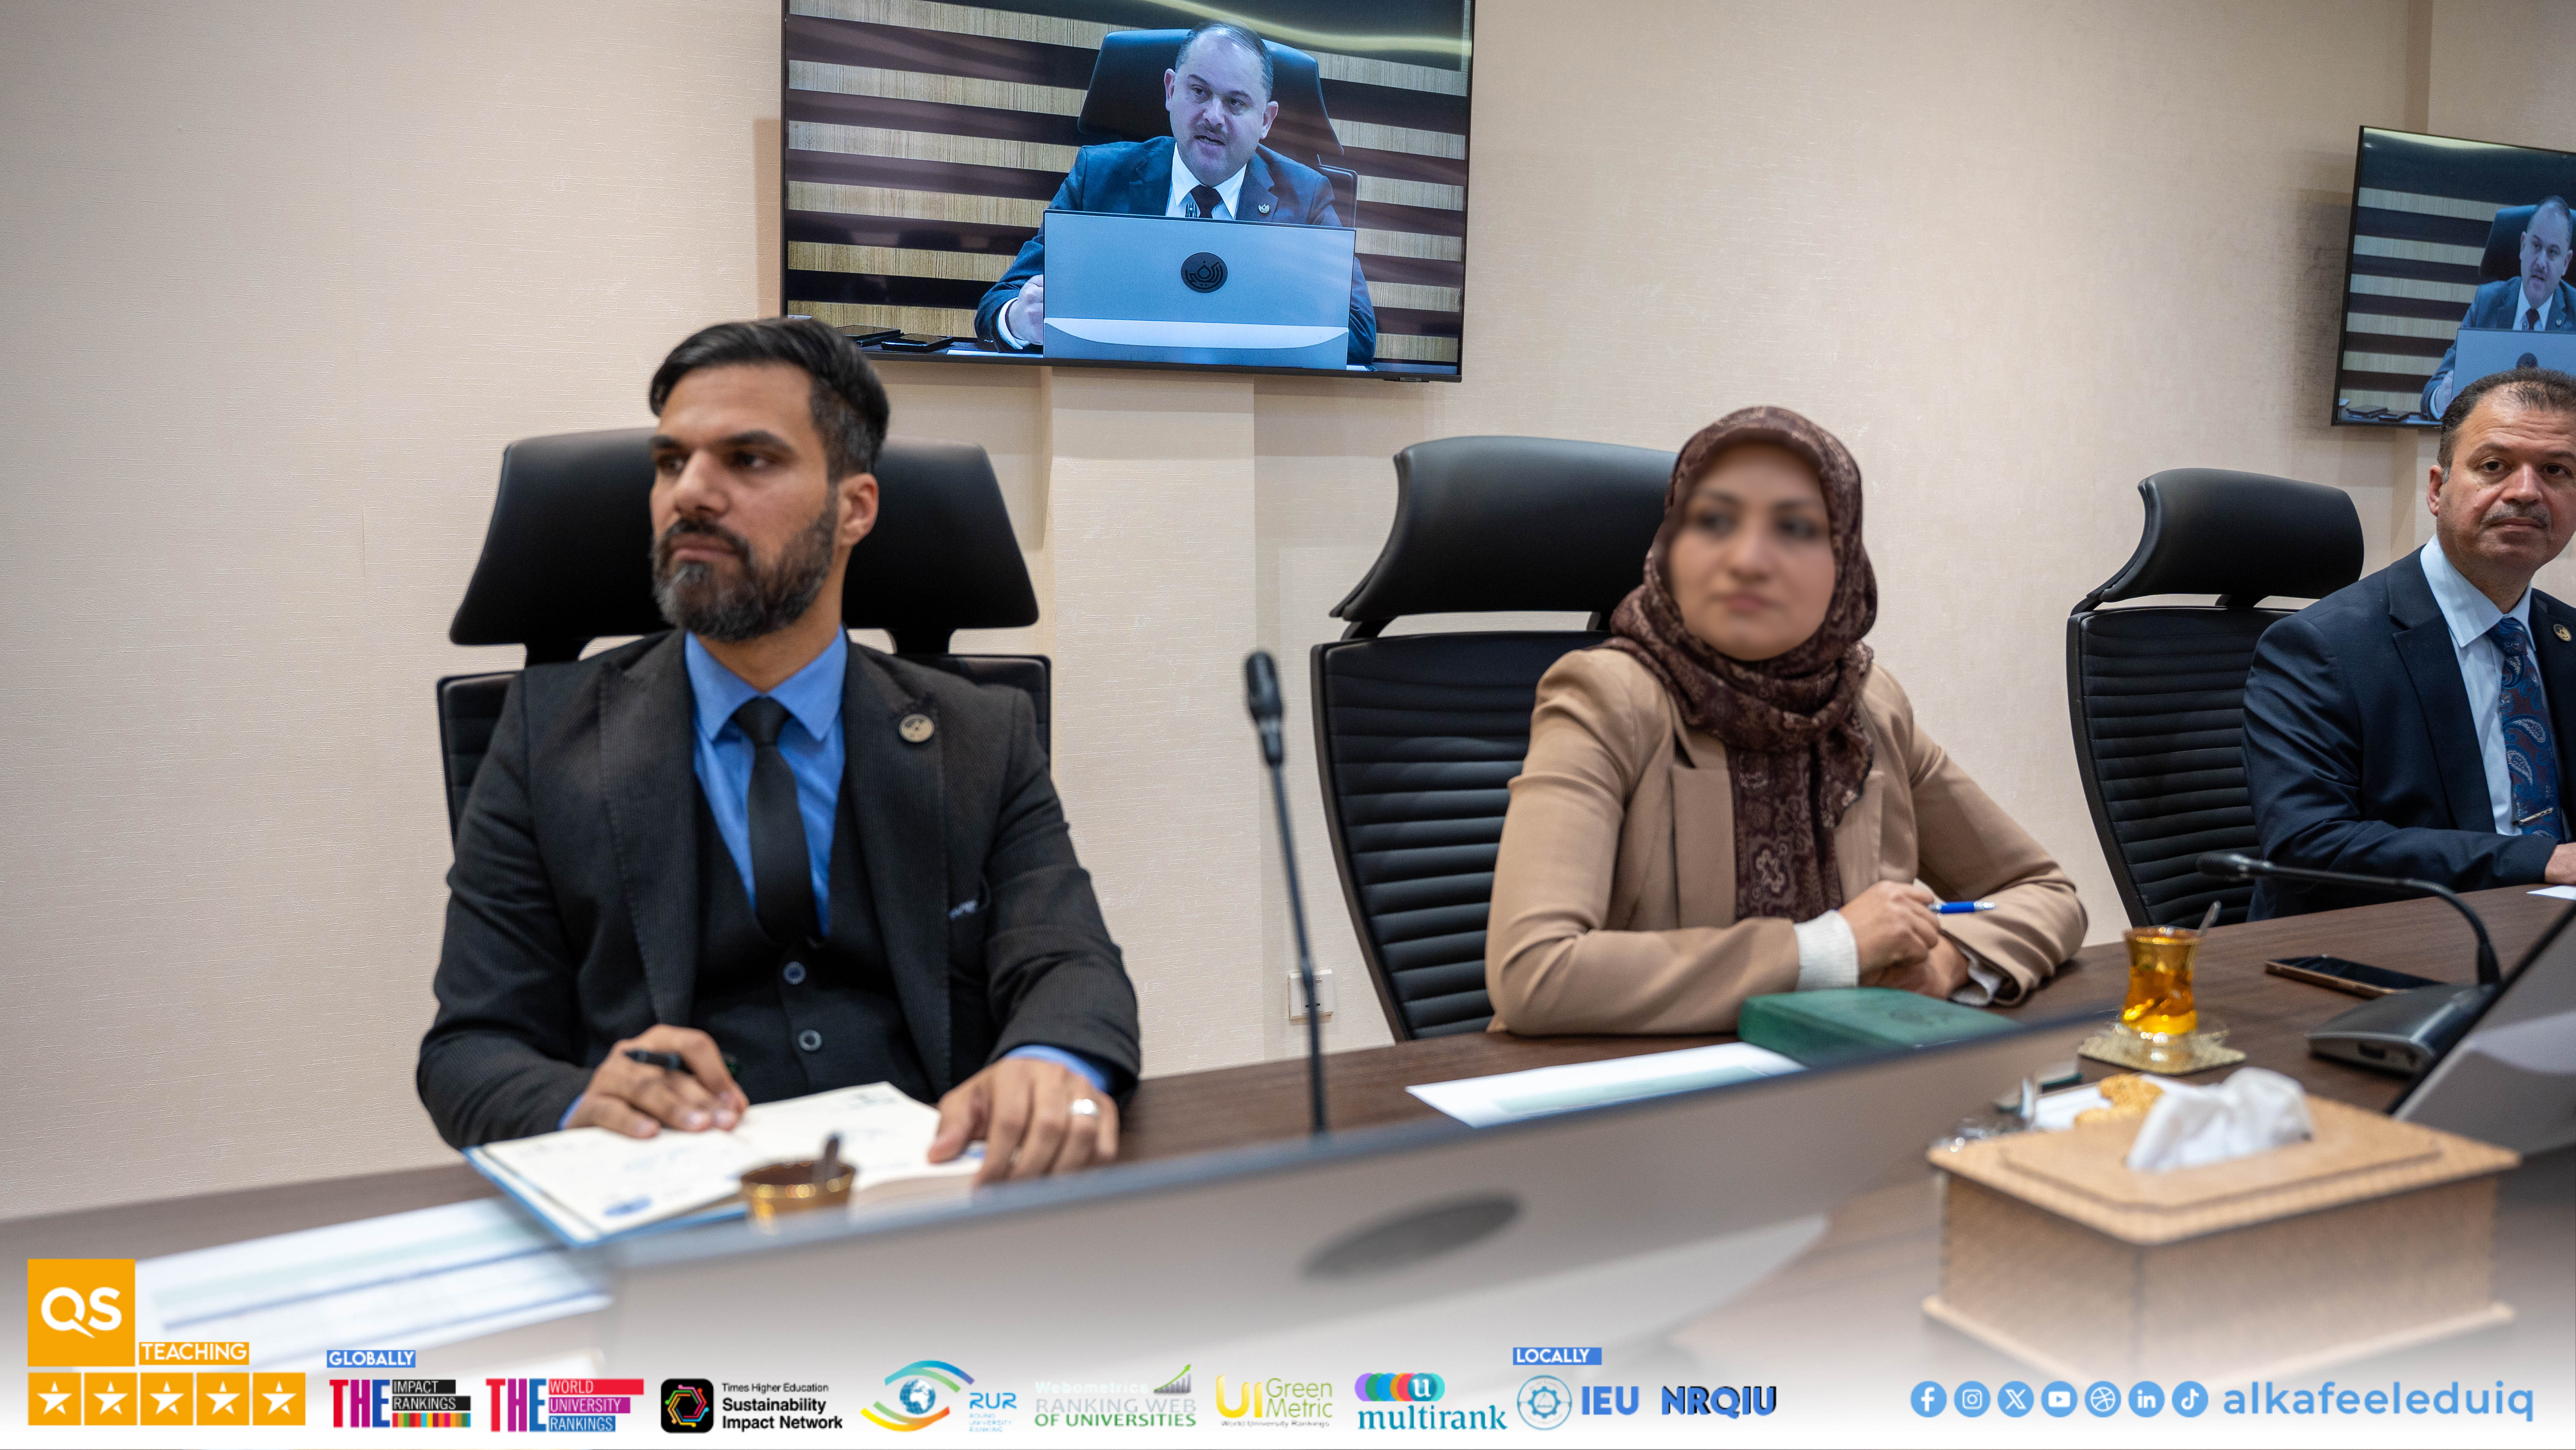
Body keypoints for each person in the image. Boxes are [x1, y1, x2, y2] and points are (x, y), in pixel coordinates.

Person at [419, 318, 1139, 1182]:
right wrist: (584, 1104)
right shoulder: (546, 733)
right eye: (670, 462)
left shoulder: (982, 731)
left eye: (749, 459)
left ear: (854, 508)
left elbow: (1070, 963)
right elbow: (470, 1048)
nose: (690, 492)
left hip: (937, 1193)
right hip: (678, 1201)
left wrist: (1050, 1066)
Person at [1484, 407, 2086, 1034]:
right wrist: (1832, 949)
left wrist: (1947, 959)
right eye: (1714, 521)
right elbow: (1534, 970)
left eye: (1795, 529)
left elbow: (2044, 892)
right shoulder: (1606, 698)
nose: (1748, 559)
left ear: (1843, 564)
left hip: (1842, 1077)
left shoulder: (1868, 706)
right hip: (1641, 1086)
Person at [2244, 366, 2576, 917]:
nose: (2525, 491)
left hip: (2555, 934)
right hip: (2390, 939)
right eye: (2494, 466)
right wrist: (2545, 861)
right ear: (2438, 490)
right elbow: (2310, 844)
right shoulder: (2320, 647)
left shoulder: (2568, 637)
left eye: (2556, 470)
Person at [971, 19, 1377, 366]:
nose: (1213, 117)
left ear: (1266, 120)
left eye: (1236, 103)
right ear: (1170, 90)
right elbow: (999, 304)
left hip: (1248, 410)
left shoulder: (1304, 197)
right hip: (1112, 407)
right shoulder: (1100, 177)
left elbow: (1358, 332)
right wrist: (1018, 320)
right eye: (1199, 92)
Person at [2421, 197, 2576, 418]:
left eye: (2553, 253)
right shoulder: (2487, 303)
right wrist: (2441, 398)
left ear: (2566, 263)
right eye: (2536, 246)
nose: (2541, 263)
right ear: (2523, 245)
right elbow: (2433, 390)